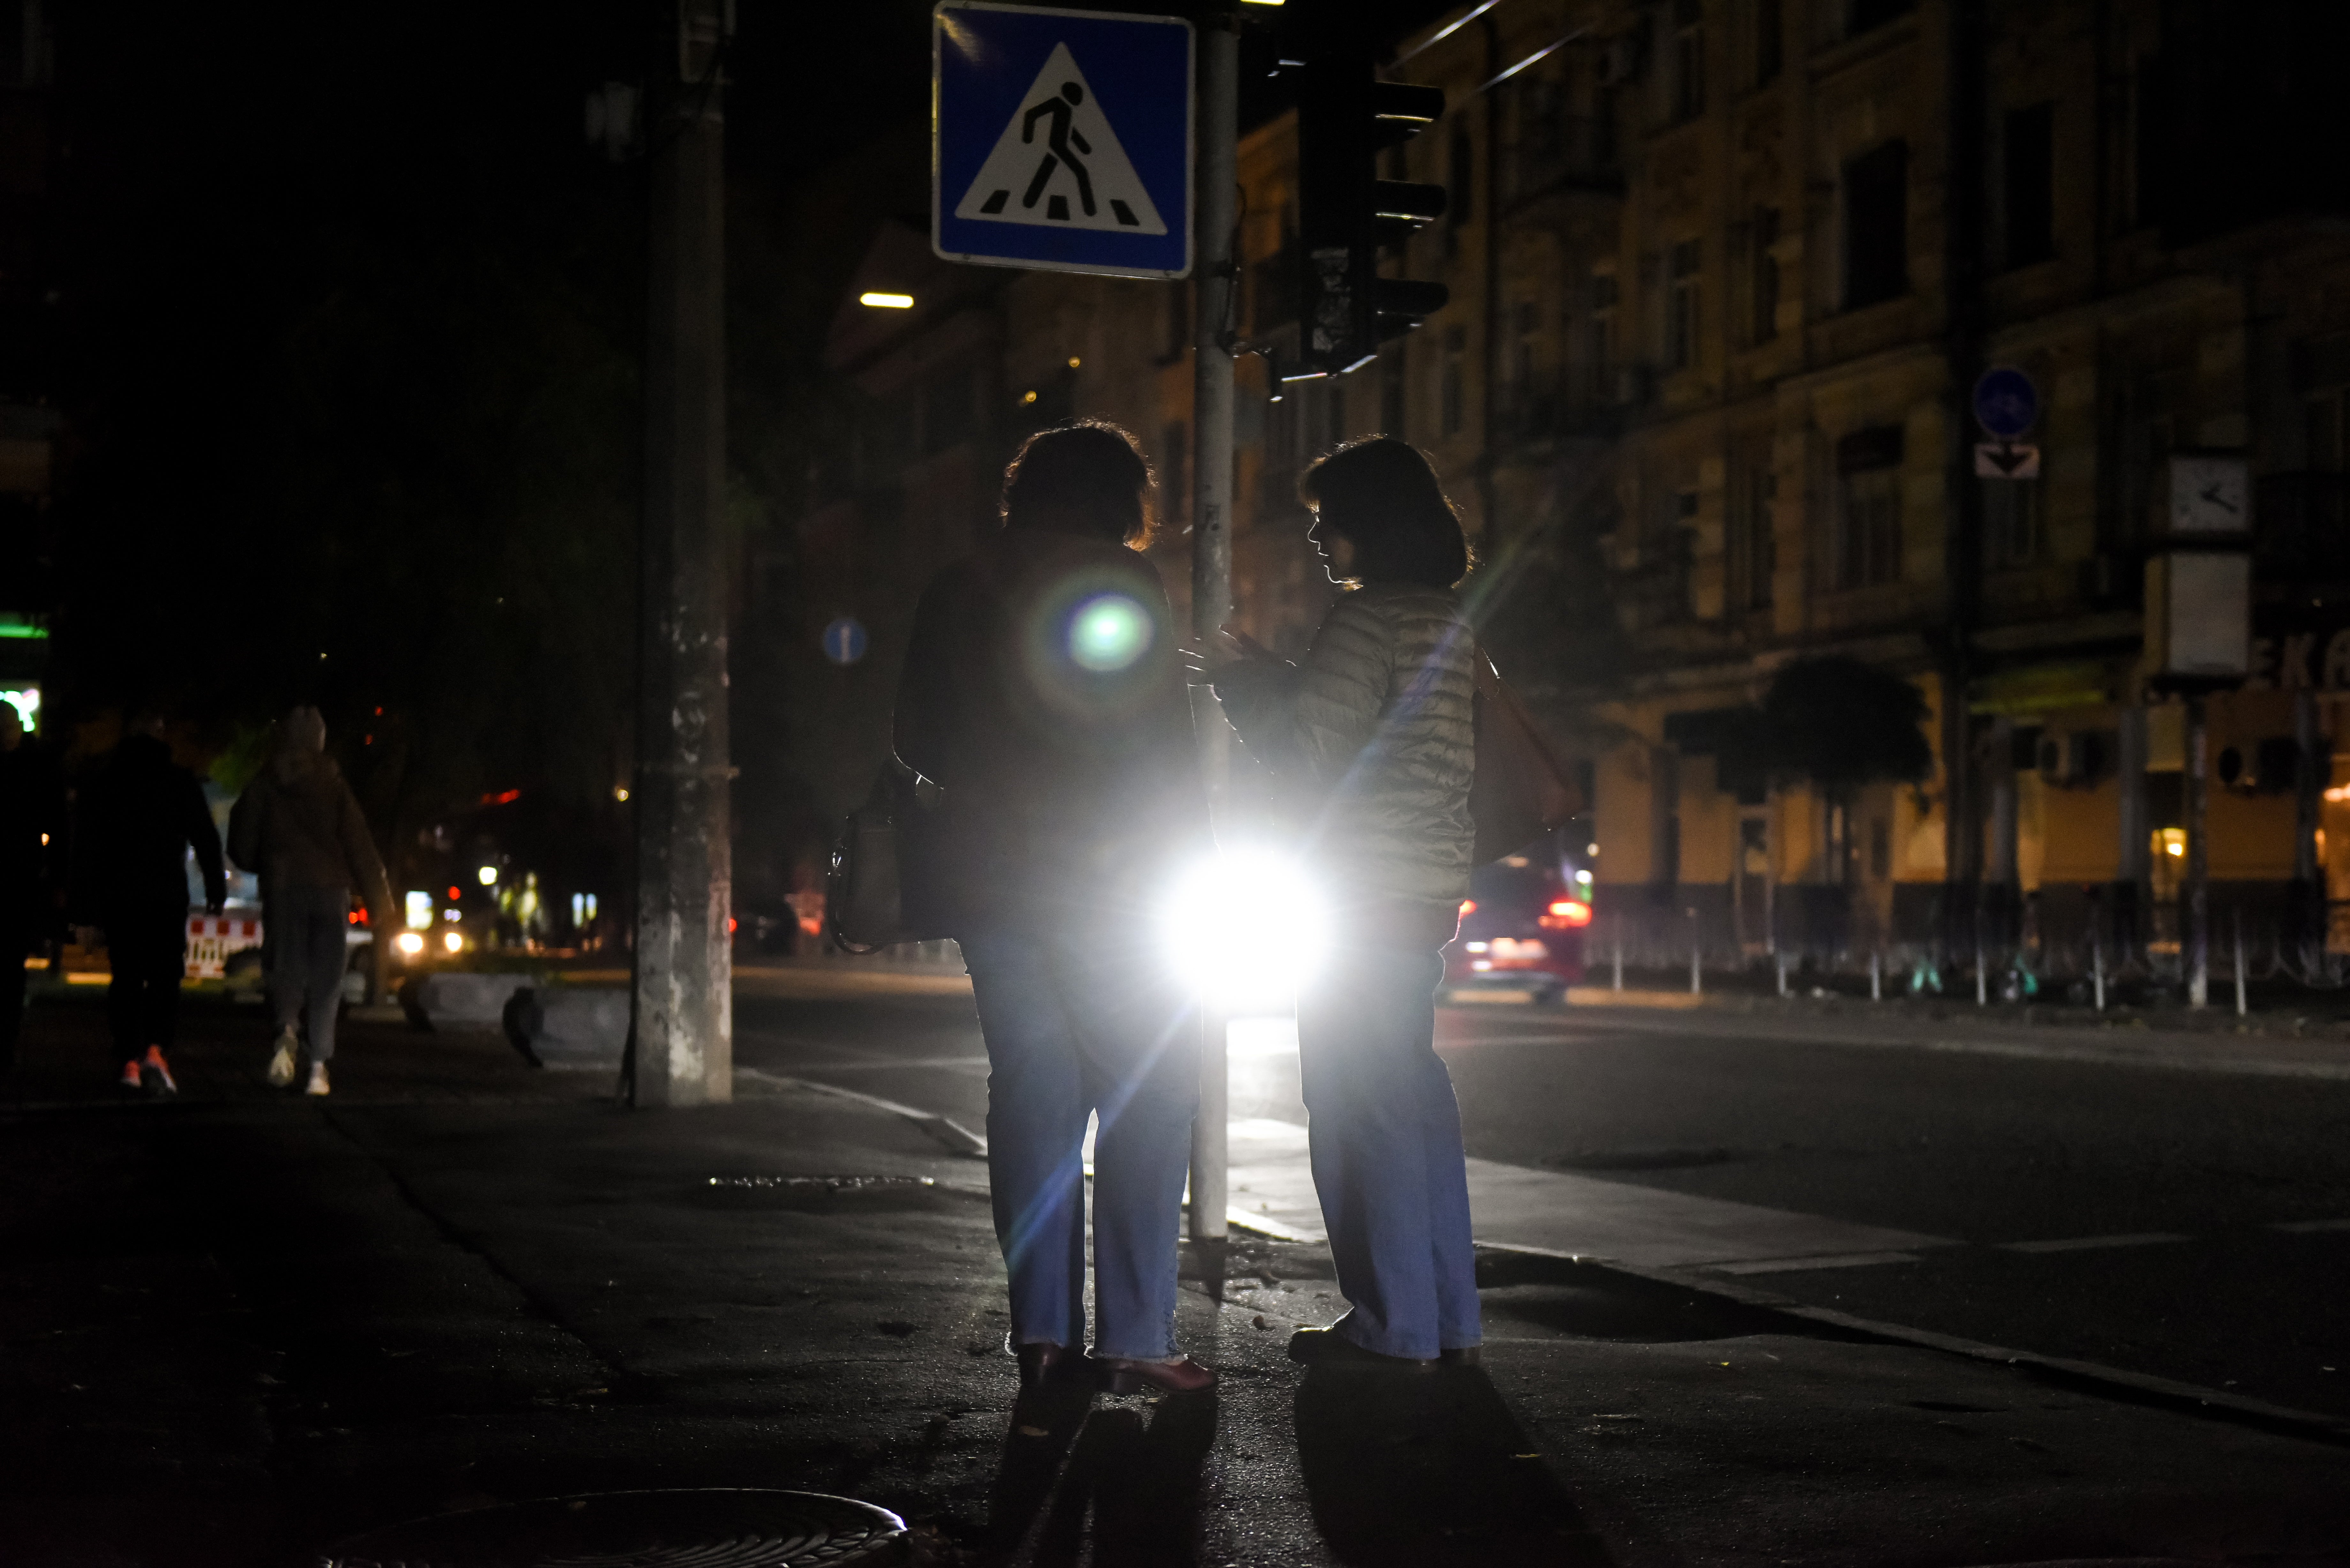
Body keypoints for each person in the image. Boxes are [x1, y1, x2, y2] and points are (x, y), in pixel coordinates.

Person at [895, 420, 1217, 1397]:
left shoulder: (957, 584)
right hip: (1109, 882)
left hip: (995, 885)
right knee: (1150, 1092)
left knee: (1032, 1099)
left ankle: (1040, 1335)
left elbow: (913, 736)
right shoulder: (1123, 584)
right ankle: (1134, 1333)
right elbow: (1160, 746)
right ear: (1121, 499)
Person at [1191, 436, 1482, 1369]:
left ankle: (1390, 1322)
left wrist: (1238, 678)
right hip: (1423, 886)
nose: (1317, 537)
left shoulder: (1364, 624)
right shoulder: (1442, 617)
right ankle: (1445, 1315)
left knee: (1358, 1104)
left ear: (1368, 525)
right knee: (1412, 1100)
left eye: (1329, 520)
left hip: (1358, 889)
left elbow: (1311, 753)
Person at [227, 706, 391, 1097]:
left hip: (284, 889)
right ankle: (318, 1068)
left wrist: (265, 865)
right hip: (330, 892)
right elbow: (361, 847)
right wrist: (381, 904)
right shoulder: (335, 786)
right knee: (327, 978)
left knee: (285, 969)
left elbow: (241, 841)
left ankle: (285, 1030)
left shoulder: (265, 783)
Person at [71, 708, 226, 1097]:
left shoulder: (105, 781)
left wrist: (84, 909)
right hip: (165, 893)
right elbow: (205, 838)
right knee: (164, 975)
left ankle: (128, 1058)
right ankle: (156, 1050)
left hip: (120, 894)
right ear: (160, 734)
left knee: (125, 975)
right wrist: (215, 889)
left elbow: (85, 849)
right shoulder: (178, 781)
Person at [0, 703, 64, 1073]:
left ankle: (6, 1042)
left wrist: (56, 877)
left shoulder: (35, 768)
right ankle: (6, 1043)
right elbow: (56, 825)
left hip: (19, 881)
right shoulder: (38, 767)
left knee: (11, 967)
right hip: (21, 878)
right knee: (11, 967)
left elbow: (56, 826)